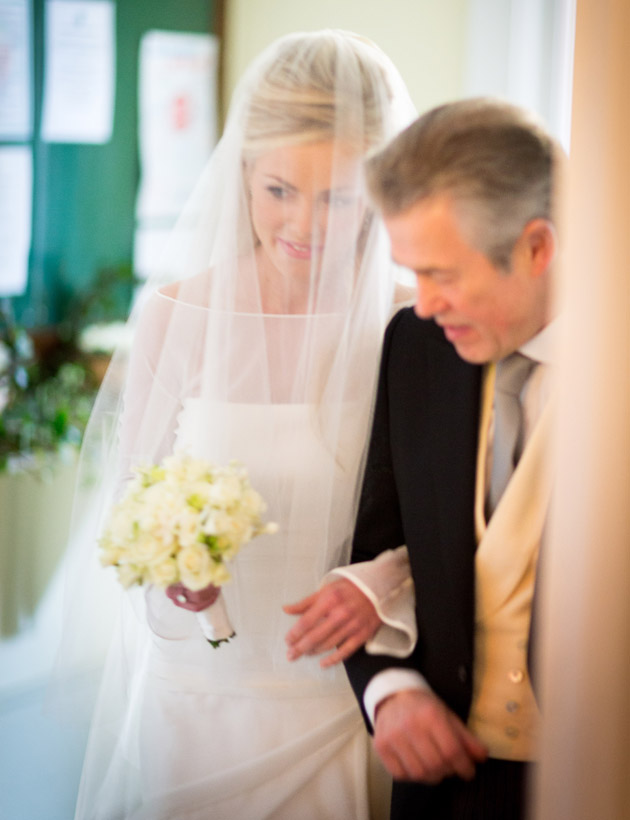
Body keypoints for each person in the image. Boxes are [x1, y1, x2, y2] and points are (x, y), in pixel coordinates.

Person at [57, 30, 418, 820]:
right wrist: (173, 572)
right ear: (243, 172)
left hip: (335, 704)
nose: (305, 226)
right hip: (196, 702)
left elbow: (446, 534)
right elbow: (131, 509)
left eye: (340, 198)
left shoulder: (408, 326)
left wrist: (379, 587)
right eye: (279, 190)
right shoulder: (178, 316)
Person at [292, 98, 560, 820]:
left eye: (443, 274)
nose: (425, 303)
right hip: (443, 791)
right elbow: (381, 547)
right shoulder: (414, 347)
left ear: (537, 247)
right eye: (412, 272)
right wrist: (394, 691)